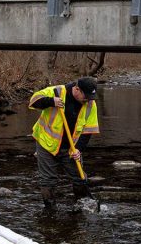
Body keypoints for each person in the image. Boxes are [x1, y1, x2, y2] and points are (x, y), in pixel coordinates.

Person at [28, 77, 100, 210]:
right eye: (86, 96)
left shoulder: (90, 103)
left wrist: (78, 149)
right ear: (77, 89)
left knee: (79, 178)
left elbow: (88, 130)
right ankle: (50, 210)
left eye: (91, 97)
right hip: (46, 144)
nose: (88, 100)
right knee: (48, 180)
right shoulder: (56, 92)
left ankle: (83, 206)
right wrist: (50, 101)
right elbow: (33, 101)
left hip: (71, 148)